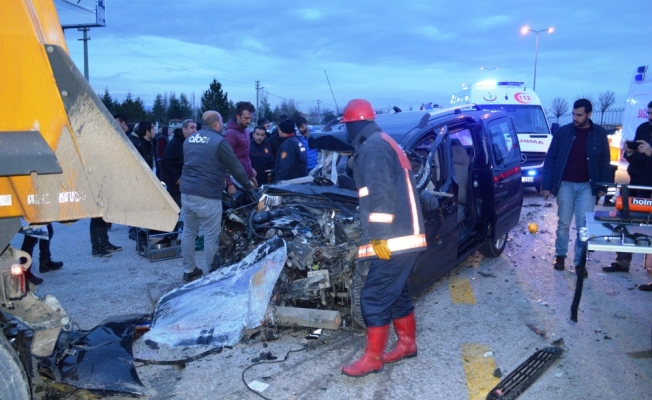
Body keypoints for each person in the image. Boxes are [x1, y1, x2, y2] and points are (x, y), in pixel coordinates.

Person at [339, 99, 426, 377]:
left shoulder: (373, 147)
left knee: (374, 296)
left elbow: (381, 194)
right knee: (395, 292)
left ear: (353, 125)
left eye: (347, 128)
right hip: (404, 236)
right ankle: (407, 344)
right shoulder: (384, 140)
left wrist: (377, 236)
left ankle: (373, 358)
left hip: (394, 238)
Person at [180, 110, 254, 282]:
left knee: (189, 231)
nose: (222, 125)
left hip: (187, 192)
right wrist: (249, 187)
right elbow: (235, 167)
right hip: (207, 194)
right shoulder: (219, 142)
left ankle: (189, 270)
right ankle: (213, 275)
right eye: (221, 122)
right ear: (215, 124)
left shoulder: (190, 139)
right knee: (211, 235)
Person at [541, 99, 611, 276]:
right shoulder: (563, 133)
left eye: (579, 115)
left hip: (587, 187)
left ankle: (580, 263)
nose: (575, 118)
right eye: (573, 114)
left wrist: (603, 186)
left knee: (583, 225)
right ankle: (560, 256)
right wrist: (546, 185)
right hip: (565, 184)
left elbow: (605, 161)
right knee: (563, 222)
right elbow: (550, 159)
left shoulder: (599, 134)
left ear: (588, 114)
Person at [608, 101, 652, 289]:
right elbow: (635, 159)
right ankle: (622, 261)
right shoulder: (643, 128)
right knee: (627, 219)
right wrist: (630, 152)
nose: (650, 117)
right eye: (649, 113)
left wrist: (651, 153)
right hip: (637, 183)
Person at [224, 101, 258, 194]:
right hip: (234, 180)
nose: (249, 121)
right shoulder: (230, 134)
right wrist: (229, 184)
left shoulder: (246, 131)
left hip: (244, 178)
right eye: (246, 118)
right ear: (238, 116)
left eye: (250, 118)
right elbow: (224, 161)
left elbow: (245, 156)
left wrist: (251, 175)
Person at [162, 120, 197, 207]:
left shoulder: (193, 142)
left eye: (196, 128)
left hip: (190, 182)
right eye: (192, 128)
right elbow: (165, 162)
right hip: (176, 184)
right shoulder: (174, 143)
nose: (195, 131)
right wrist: (177, 178)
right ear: (184, 129)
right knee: (176, 208)